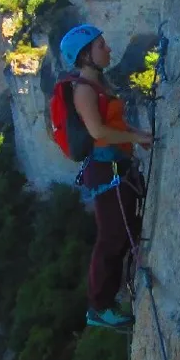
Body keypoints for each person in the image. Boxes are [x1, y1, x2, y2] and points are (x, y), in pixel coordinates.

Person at [57, 23, 151, 330]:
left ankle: (118, 290)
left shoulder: (100, 85)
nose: (108, 49)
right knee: (112, 237)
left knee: (125, 229)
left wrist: (134, 137)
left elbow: (111, 127)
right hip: (106, 170)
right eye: (101, 46)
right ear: (85, 56)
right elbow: (97, 132)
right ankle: (99, 307)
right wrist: (136, 137)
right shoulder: (84, 90)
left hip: (116, 165)